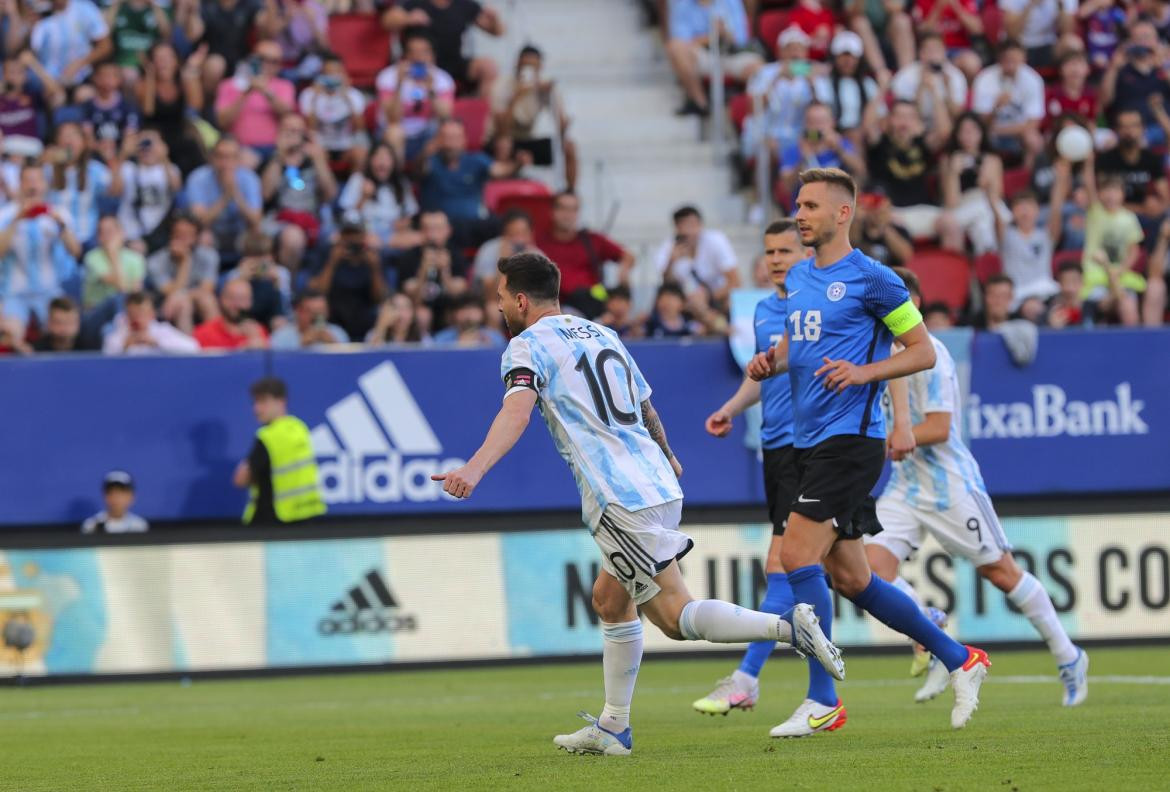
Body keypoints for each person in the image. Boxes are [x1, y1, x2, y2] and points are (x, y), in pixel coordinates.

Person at [430, 251, 844, 756]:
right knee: (610, 599)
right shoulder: (601, 333)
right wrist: (668, 454)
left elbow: (516, 412)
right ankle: (613, 728)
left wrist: (473, 469)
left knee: (673, 614)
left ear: (520, 299)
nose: (498, 308)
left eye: (499, 298)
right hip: (657, 481)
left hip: (617, 497)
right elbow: (645, 403)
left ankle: (789, 629)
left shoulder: (525, 347)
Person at [747, 167, 990, 732]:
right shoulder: (802, 279)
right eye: (798, 205)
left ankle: (823, 699)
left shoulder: (877, 280)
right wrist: (771, 362)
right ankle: (961, 658)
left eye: (809, 206)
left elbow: (922, 350)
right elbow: (792, 346)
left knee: (794, 557)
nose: (800, 214)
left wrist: (864, 373)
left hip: (851, 442)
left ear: (842, 213)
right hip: (807, 444)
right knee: (853, 580)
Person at [870, 266, 1089, 707]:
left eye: (897, 306)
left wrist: (899, 433)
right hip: (905, 486)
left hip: (950, 486)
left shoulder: (932, 356)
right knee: (867, 574)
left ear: (912, 306)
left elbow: (940, 426)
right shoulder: (878, 353)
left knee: (1001, 572)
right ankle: (930, 624)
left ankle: (1069, 656)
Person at [692, 219, 851, 735]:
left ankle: (748, 676)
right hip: (777, 450)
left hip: (815, 448)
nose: (776, 259)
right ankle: (933, 635)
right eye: (770, 251)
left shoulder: (817, 303)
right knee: (844, 574)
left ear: (804, 253)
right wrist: (732, 408)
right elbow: (763, 373)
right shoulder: (763, 309)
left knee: (786, 566)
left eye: (786, 249)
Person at [233, 376, 326, 525]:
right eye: (255, 402)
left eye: (263, 401)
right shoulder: (300, 428)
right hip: (308, 515)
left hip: (273, 521)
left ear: (281, 401)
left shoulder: (267, 436)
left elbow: (240, 479)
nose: (257, 409)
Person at [0, 163, 81, 332]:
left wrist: (60, 226)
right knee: (10, 332)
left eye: (37, 180)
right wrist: (17, 220)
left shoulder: (59, 214)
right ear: (20, 184)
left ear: (45, 184)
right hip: (14, 292)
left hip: (49, 291)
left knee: (64, 328)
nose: (33, 186)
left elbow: (75, 252)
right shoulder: (5, 214)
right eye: (28, 180)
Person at [491, 44, 578, 191]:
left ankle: (569, 193)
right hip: (504, 137)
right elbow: (501, 128)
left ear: (540, 67)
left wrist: (550, 96)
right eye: (525, 65)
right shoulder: (502, 85)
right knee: (504, 144)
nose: (528, 70)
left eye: (533, 66)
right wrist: (518, 94)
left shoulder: (543, 87)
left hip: (528, 138)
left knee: (569, 147)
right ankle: (501, 190)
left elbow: (561, 125)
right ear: (517, 64)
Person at [536, 191, 634, 317]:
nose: (568, 215)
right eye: (563, 209)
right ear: (552, 212)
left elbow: (628, 256)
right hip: (556, 309)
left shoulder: (592, 239)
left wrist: (623, 272)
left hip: (593, 306)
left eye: (573, 210)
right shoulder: (539, 242)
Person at [382, 0, 505, 99]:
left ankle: (479, 114)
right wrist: (408, 18)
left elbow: (497, 31)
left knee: (489, 66)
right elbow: (387, 21)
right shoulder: (414, 3)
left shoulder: (464, 5)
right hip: (420, 64)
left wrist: (494, 19)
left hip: (453, 62)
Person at [665, 0, 762, 116]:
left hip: (731, 54)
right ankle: (699, 103)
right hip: (703, 55)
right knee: (675, 48)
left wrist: (725, 33)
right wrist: (711, 37)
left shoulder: (731, 2)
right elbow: (681, 39)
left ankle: (748, 115)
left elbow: (741, 39)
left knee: (759, 68)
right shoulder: (683, 4)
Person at [375, 31, 456, 163]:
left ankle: (427, 178)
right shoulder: (387, 77)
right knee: (395, 132)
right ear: (405, 55)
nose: (418, 58)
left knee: (447, 133)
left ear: (433, 55)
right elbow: (392, 118)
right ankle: (398, 182)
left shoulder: (443, 79)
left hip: (426, 135)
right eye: (412, 52)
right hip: (394, 136)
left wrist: (430, 90)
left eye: (424, 52)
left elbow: (445, 116)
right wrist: (399, 85)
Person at [214, 39, 296, 165]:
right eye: (262, 59)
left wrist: (265, 90)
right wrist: (246, 93)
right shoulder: (228, 85)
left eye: (274, 61)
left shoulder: (285, 86)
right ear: (252, 58)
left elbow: (286, 113)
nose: (267, 64)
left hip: (276, 149)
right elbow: (222, 121)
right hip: (241, 149)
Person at [652, 205, 741, 322]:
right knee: (669, 301)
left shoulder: (716, 241)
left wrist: (709, 297)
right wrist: (671, 262)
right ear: (677, 229)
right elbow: (667, 285)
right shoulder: (669, 248)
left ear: (700, 225)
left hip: (718, 297)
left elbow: (735, 281)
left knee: (730, 300)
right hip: (686, 303)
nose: (689, 231)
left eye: (692, 225)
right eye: (684, 226)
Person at [184, 136, 263, 266]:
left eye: (231, 157)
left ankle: (250, 280)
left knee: (258, 236)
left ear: (238, 159)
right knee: (202, 237)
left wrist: (236, 194)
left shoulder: (250, 179)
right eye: (221, 156)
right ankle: (206, 283)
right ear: (212, 158)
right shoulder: (197, 178)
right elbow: (199, 222)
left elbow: (255, 220)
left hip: (241, 232)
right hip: (211, 232)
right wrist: (226, 197)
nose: (225, 163)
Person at [309, 212, 388, 341]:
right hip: (333, 322)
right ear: (340, 235)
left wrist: (374, 269)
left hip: (365, 323)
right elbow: (318, 292)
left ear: (363, 235)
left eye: (355, 234)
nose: (352, 239)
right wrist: (332, 263)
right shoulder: (327, 253)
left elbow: (379, 298)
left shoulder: (373, 258)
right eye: (348, 234)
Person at [970, 40, 1046, 167]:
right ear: (999, 59)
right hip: (990, 132)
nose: (1011, 66)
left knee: (1034, 140)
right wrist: (996, 108)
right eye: (1007, 60)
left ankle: (1028, 179)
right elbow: (980, 122)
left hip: (1016, 131)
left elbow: (1033, 123)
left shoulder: (1033, 80)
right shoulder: (984, 79)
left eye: (1015, 60)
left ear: (1024, 58)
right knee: (972, 137)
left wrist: (1000, 130)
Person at [337, 142, 421, 254]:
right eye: (378, 157)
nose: (382, 162)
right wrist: (364, 197)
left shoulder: (401, 183)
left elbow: (411, 213)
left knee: (419, 238)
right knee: (364, 240)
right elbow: (347, 218)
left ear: (393, 162)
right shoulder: (358, 179)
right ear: (370, 160)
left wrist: (403, 223)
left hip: (393, 233)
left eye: (387, 158)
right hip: (364, 231)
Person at [146, 212, 220, 334]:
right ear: (171, 235)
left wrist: (184, 295)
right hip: (166, 307)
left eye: (187, 234)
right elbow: (171, 293)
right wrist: (184, 263)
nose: (182, 238)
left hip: (197, 301)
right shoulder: (155, 261)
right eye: (178, 233)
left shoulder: (209, 256)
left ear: (196, 237)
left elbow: (207, 289)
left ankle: (216, 344)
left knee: (207, 300)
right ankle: (188, 349)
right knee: (183, 304)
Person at [299, 52, 369, 174]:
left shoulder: (354, 95)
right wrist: (315, 98)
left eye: (335, 73)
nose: (331, 77)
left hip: (347, 145)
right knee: (313, 152)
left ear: (343, 73)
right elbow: (310, 127)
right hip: (321, 145)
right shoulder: (309, 94)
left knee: (360, 153)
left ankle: (354, 189)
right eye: (327, 73)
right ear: (321, 75)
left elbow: (359, 128)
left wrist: (346, 96)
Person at [992, 189, 1060, 311]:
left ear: (1038, 210)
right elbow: (996, 213)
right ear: (1012, 212)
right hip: (1017, 295)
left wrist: (1062, 177)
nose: (1024, 211)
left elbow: (1056, 208)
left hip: (1046, 291)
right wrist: (989, 191)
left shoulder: (1046, 235)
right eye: (1019, 207)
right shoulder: (1006, 235)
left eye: (1029, 206)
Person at [889, 32, 966, 133]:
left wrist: (948, 90)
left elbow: (957, 116)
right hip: (914, 128)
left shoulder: (954, 76)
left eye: (937, 50)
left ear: (944, 53)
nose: (933, 55)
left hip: (943, 127)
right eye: (929, 50)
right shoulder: (905, 76)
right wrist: (921, 87)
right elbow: (903, 116)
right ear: (921, 54)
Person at [30, 0, 112, 93]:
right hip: (45, 79)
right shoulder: (39, 12)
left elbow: (105, 46)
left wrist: (79, 64)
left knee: (84, 94)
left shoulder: (85, 9)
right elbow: (28, 54)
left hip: (81, 77)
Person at [102, 290, 200, 354]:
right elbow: (105, 355)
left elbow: (193, 347)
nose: (137, 318)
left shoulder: (162, 331)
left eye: (141, 313)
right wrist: (124, 346)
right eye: (132, 314)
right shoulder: (119, 333)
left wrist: (156, 342)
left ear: (151, 314)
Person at [82, 214, 146, 313]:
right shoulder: (91, 257)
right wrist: (113, 254)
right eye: (102, 233)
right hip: (96, 311)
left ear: (122, 233)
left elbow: (135, 294)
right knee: (117, 300)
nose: (107, 237)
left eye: (110, 231)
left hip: (126, 312)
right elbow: (121, 286)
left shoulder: (136, 259)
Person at [193, 278, 271, 349]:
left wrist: (258, 344)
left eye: (242, 299)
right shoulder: (203, 333)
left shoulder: (259, 332)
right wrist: (241, 350)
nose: (236, 304)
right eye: (231, 298)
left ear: (250, 302)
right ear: (221, 299)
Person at [270, 288, 349, 349]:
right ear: (299, 312)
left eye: (321, 312)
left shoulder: (338, 334)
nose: (317, 317)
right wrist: (301, 347)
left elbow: (348, 364)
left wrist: (334, 346)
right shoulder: (281, 337)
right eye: (312, 312)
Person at [81, 470, 149, 534]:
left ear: (131, 496)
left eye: (121, 493)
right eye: (111, 492)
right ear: (104, 496)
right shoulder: (92, 526)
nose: (115, 498)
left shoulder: (139, 526)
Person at [430, 292, 505, 346]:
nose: (468, 313)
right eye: (463, 309)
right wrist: (459, 345)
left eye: (473, 308)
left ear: (482, 313)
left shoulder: (495, 337)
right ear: (454, 314)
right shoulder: (441, 338)